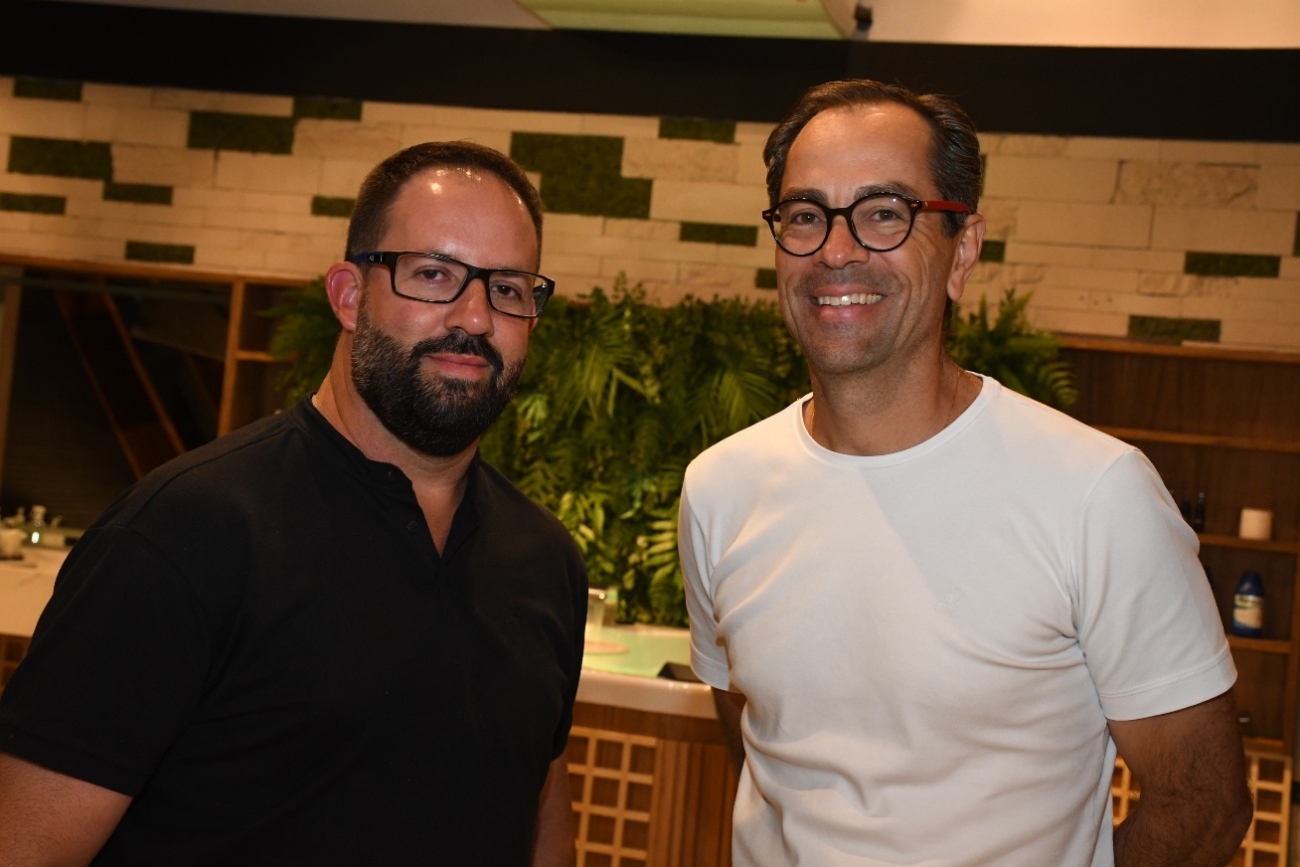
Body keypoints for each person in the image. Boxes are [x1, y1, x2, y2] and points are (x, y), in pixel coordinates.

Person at [678, 79, 1253, 867]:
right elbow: (759, 741)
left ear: (964, 248)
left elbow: (1206, 805)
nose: (837, 250)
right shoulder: (719, 488)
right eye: (806, 215)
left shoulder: (1096, 494)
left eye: (885, 212)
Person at [0, 142, 586, 866]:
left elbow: (543, 819)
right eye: (433, 274)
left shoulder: (546, 562)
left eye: (508, 288)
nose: (474, 317)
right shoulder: (182, 534)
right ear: (349, 295)